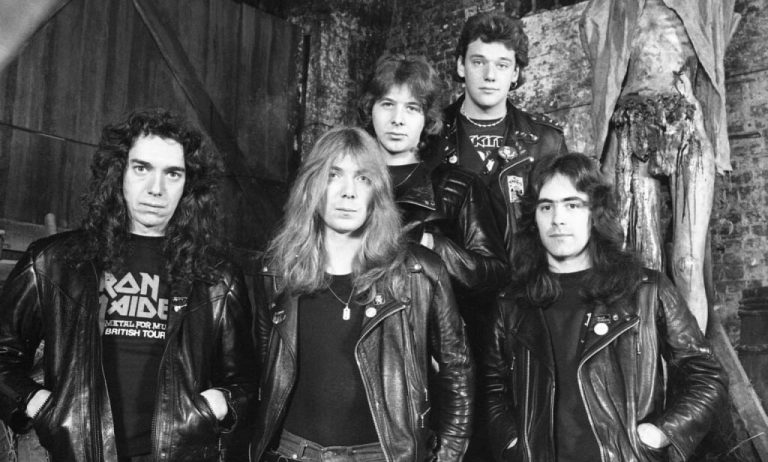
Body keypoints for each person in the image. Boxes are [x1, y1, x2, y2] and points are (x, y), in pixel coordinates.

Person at [0, 109, 257, 462]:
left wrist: (218, 404)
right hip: (78, 453)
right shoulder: (52, 262)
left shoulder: (217, 278)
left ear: (188, 184)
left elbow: (245, 383)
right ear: (119, 171)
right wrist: (34, 402)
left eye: (172, 173)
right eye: (141, 168)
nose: (156, 189)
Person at [482, 153, 727, 461]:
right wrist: (512, 442)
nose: (557, 219)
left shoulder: (645, 290)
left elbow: (706, 374)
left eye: (572, 205)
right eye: (546, 207)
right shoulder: (513, 303)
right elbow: (492, 389)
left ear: (595, 213)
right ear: (534, 218)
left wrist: (659, 434)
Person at [250, 127, 474, 462]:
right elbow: (264, 370)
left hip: (384, 455)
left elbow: (457, 369)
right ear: (312, 185)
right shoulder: (277, 271)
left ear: (378, 192)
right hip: (294, 453)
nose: (348, 192)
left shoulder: (419, 271)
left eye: (363, 178)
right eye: (333, 175)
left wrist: (448, 455)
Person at [359, 53, 508, 356]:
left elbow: (493, 275)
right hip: (354, 338)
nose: (397, 119)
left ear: (427, 119)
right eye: (387, 104)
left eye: (411, 108)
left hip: (425, 350)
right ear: (370, 109)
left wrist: (432, 244)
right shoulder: (346, 183)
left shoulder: (457, 186)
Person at [438, 11, 568, 261]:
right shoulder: (430, 134)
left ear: (515, 72)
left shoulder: (546, 140)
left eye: (502, 65)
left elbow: (568, 220)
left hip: (523, 280)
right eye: (478, 62)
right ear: (461, 66)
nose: (490, 75)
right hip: (449, 281)